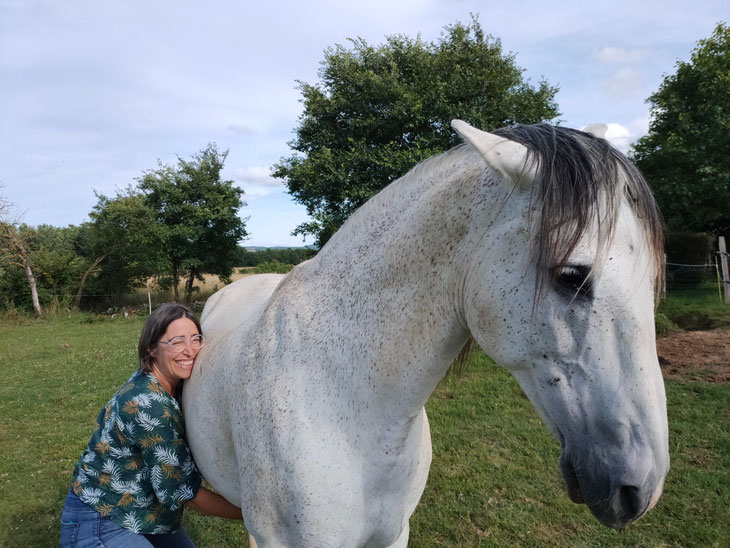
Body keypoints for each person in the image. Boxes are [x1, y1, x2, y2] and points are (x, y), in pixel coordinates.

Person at [60, 303, 242, 547]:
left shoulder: (169, 384)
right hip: (103, 522)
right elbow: (184, 492)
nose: (190, 351)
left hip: (147, 514)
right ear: (152, 348)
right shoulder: (149, 404)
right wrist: (254, 514)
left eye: (195, 339)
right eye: (177, 342)